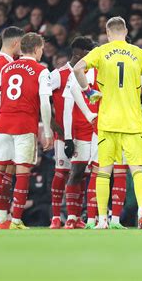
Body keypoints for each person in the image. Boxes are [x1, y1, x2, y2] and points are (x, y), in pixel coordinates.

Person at [72, 16, 142, 229]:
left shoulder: (101, 51)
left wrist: (89, 91)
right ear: (126, 31)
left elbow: (77, 69)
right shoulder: (139, 53)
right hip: (132, 121)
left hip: (107, 121)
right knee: (137, 169)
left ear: (107, 33)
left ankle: (102, 220)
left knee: (104, 171)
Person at [0, 32, 53, 229]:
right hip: (25, 124)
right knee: (22, 172)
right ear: (35, 49)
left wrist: (4, 116)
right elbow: (45, 103)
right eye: (41, 49)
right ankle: (16, 219)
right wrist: (48, 130)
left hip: (3, 122)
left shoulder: (6, 68)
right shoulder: (41, 70)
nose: (42, 53)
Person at [49, 36, 97, 229]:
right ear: (80, 54)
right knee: (62, 174)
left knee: (83, 175)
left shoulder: (92, 72)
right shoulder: (58, 74)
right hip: (64, 134)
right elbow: (41, 100)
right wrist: (54, 126)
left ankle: (76, 217)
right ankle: (55, 217)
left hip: (85, 132)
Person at [0, 26, 24, 229]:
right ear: (16, 43)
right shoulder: (7, 66)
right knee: (5, 172)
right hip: (3, 124)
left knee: (3, 171)